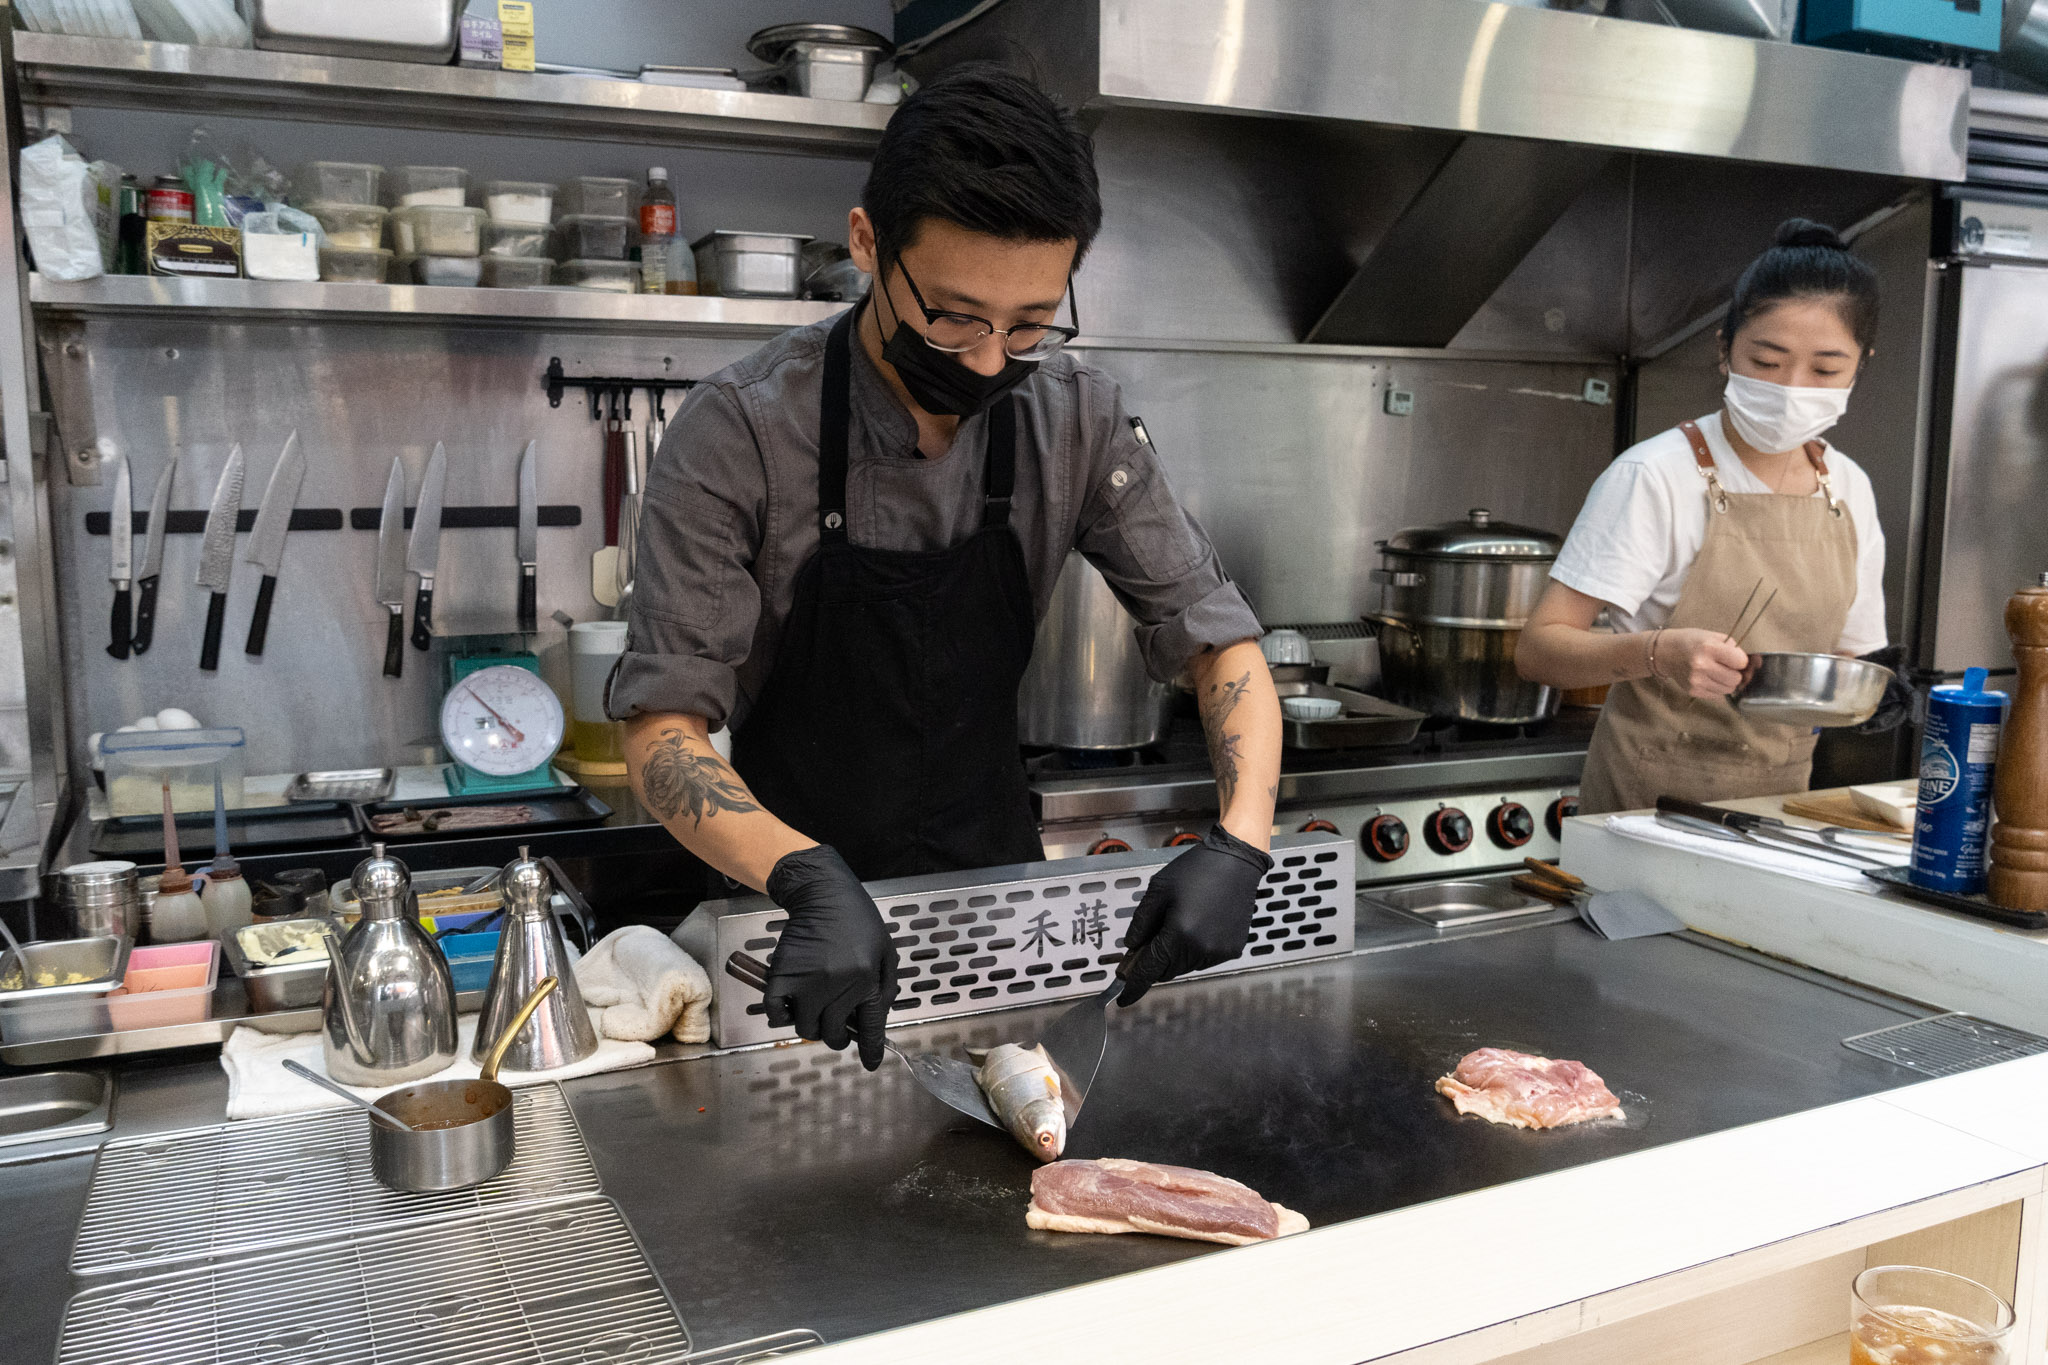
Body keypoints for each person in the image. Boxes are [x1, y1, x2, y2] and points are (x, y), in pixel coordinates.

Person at [607, 65, 1281, 1070]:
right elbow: (663, 734)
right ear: (868, 243)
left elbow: (1214, 639)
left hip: (994, 922)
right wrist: (804, 878)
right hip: (791, 933)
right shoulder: (740, 429)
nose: (985, 361)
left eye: (1026, 324)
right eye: (955, 316)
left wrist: (1239, 842)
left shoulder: (1073, 418)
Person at [1515, 219, 1887, 814]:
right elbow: (1539, 650)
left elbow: (1846, 657)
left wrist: (1861, 691)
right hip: (1647, 807)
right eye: (1766, 361)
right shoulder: (1655, 476)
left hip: (1780, 807)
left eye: (1825, 370)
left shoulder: (1847, 489)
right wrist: (1658, 652)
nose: (1792, 388)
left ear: (1859, 367)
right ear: (1724, 349)